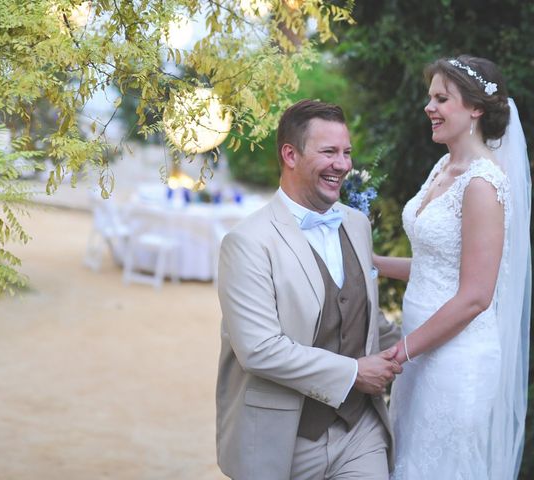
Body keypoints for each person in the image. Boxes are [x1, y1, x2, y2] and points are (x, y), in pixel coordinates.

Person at [215, 99, 402, 480]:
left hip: (360, 433)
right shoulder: (248, 242)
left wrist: (427, 347)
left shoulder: (356, 224)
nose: (343, 164)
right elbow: (259, 349)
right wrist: (352, 373)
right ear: (290, 154)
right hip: (285, 441)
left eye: (347, 153)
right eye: (329, 152)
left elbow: (362, 316)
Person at [374, 55, 531, 479]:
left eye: (442, 98)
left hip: (455, 360)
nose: (429, 107)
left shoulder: (482, 184)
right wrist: (368, 263)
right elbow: (433, 266)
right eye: (430, 98)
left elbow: (476, 296)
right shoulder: (444, 167)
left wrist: (402, 351)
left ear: (476, 109)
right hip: (420, 349)